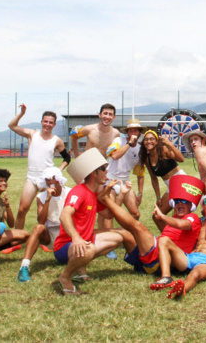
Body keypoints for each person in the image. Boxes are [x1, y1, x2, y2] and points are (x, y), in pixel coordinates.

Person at [54, 149, 130, 295]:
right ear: (94, 173)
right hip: (65, 246)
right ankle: (65, 276)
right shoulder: (79, 191)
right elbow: (64, 215)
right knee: (88, 249)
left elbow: (109, 215)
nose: (107, 172)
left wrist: (121, 195)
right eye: (103, 169)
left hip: (83, 241)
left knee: (118, 238)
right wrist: (76, 238)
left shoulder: (92, 194)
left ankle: (80, 269)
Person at [155, 193, 206, 299]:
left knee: (195, 274)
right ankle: (166, 277)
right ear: (203, 206)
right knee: (163, 240)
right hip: (190, 257)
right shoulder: (199, 221)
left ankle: (182, 289)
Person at [7, 105, 71, 230]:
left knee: (46, 212)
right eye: (45, 121)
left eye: (50, 122)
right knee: (22, 209)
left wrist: (59, 169)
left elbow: (67, 158)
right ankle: (17, 237)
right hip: (32, 177)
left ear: (54, 124)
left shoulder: (57, 140)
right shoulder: (32, 134)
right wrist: (22, 113)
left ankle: (46, 237)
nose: (47, 124)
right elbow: (12, 126)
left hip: (48, 179)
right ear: (41, 122)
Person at [146, 177, 206, 292]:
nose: (180, 204)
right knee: (131, 231)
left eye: (184, 201)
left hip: (180, 258)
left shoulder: (193, 217)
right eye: (177, 201)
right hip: (161, 254)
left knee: (162, 239)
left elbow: (180, 224)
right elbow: (168, 226)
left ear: (190, 205)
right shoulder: (173, 219)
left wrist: (162, 216)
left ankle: (166, 277)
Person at [17, 167, 71, 282]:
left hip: (67, 233)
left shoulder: (70, 193)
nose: (51, 182)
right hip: (50, 235)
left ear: (59, 179)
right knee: (38, 228)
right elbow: (41, 221)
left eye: (53, 178)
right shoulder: (41, 197)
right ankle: (24, 267)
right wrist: (47, 200)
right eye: (48, 179)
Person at [105, 118, 146, 220]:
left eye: (135, 130)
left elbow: (140, 174)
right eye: (130, 131)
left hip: (125, 182)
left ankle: (127, 231)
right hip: (111, 180)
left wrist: (140, 193)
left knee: (135, 214)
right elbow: (115, 156)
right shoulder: (118, 140)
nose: (133, 133)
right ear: (127, 132)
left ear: (139, 132)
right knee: (110, 214)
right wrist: (129, 144)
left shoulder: (140, 150)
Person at [140, 130, 186, 214]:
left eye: (151, 139)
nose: (149, 141)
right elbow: (153, 178)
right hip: (171, 186)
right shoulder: (147, 159)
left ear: (157, 141)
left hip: (181, 182)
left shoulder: (163, 150)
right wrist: (158, 197)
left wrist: (170, 144)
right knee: (157, 216)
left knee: (178, 215)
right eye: (146, 139)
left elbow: (181, 159)